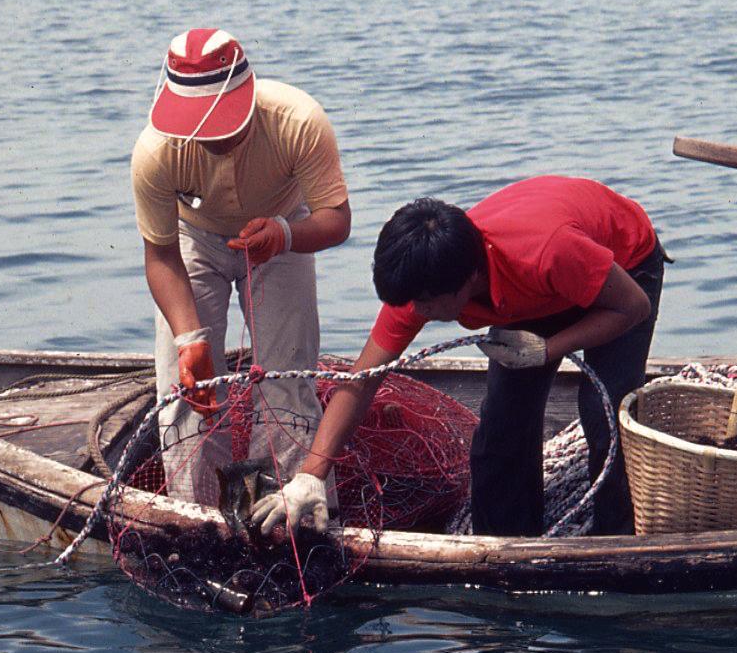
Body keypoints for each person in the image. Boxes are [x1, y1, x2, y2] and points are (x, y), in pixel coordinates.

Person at [263, 176, 663, 540]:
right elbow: (363, 380)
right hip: (533, 293)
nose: (416, 312)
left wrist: (548, 350)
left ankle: (618, 540)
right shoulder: (423, 283)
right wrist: (310, 476)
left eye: (425, 304)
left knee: (605, 416)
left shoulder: (548, 250)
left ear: (468, 281)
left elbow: (633, 307)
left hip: (623, 270)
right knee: (501, 428)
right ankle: (505, 550)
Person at [132, 28, 351, 507]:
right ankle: (198, 516)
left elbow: (337, 221)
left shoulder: (298, 119)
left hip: (284, 231)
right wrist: (190, 340)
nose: (213, 138)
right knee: (188, 391)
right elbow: (161, 254)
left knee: (287, 383)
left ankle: (292, 511)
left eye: (223, 125)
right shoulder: (154, 152)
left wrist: (285, 236)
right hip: (194, 241)